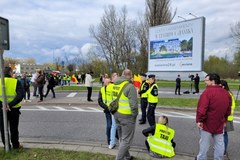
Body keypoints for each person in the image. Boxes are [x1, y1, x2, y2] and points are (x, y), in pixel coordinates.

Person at [196, 73, 231, 160]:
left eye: (206, 80)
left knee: (204, 145)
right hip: (220, 123)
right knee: (219, 144)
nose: (205, 82)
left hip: (207, 124)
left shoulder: (207, 92)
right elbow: (228, 110)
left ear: (213, 81)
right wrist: (225, 120)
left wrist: (199, 120)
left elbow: (202, 108)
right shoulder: (226, 93)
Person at [113, 69, 138, 160]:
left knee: (122, 138)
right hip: (127, 116)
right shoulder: (130, 86)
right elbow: (134, 105)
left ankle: (127, 156)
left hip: (116, 114)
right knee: (126, 140)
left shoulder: (115, 84)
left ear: (122, 75)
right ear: (130, 76)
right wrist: (134, 116)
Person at [0, 66, 24, 149]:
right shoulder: (16, 82)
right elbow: (20, 95)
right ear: (10, 72)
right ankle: (16, 145)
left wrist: (3, 105)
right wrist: (9, 105)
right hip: (14, 108)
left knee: (3, 128)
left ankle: (7, 146)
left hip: (1, 109)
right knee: (14, 128)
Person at [220, 80, 235, 158]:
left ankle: (223, 151)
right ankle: (222, 149)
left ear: (223, 86)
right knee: (223, 134)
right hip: (227, 117)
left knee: (224, 135)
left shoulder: (227, 94)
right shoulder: (229, 93)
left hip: (226, 118)